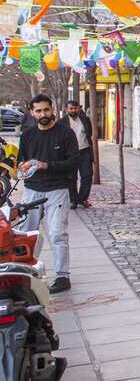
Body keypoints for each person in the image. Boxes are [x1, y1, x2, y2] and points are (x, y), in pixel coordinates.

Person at [17, 94, 79, 294]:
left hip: (57, 189)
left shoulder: (65, 133)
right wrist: (23, 168)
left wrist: (47, 165)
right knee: (27, 233)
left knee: (57, 233)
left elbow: (73, 162)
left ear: (52, 109)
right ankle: (26, 271)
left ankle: (62, 276)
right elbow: (20, 162)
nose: (43, 114)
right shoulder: (27, 135)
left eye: (46, 110)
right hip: (32, 189)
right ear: (32, 113)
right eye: (38, 111)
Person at [63, 100, 94, 210]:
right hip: (70, 153)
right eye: (71, 108)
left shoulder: (85, 120)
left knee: (87, 175)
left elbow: (89, 134)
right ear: (66, 110)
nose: (73, 110)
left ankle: (83, 198)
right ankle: (73, 200)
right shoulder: (62, 122)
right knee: (71, 177)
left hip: (84, 150)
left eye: (75, 108)